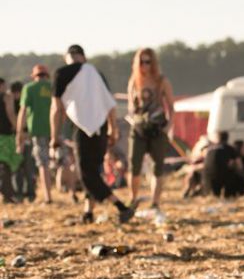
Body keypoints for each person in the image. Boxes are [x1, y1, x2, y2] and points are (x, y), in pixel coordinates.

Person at [50, 44, 135, 224]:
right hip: (101, 127)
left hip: (82, 128)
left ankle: (121, 206)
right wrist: (113, 129)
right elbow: (110, 103)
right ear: (83, 56)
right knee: (93, 170)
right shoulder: (96, 73)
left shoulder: (61, 73)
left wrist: (54, 137)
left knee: (86, 174)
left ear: (68, 56)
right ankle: (88, 213)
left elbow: (56, 109)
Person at [126, 48, 174, 215]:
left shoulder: (161, 81)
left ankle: (155, 202)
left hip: (157, 128)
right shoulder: (134, 81)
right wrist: (133, 116)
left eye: (148, 62)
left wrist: (169, 126)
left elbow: (170, 106)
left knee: (158, 167)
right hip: (139, 128)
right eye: (141, 62)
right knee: (134, 165)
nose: (144, 65)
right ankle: (133, 198)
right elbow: (131, 106)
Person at [16, 65, 54, 203]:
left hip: (38, 131)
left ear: (34, 76)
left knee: (43, 163)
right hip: (56, 130)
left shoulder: (29, 88)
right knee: (63, 162)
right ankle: (73, 191)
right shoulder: (53, 87)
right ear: (46, 75)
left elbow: (22, 111)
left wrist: (19, 133)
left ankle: (48, 197)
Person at [203, 131, 244, 198]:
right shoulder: (229, 148)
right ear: (227, 139)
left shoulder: (210, 148)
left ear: (218, 138)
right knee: (236, 176)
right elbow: (240, 165)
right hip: (222, 175)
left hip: (207, 176)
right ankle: (230, 195)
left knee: (214, 196)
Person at [0, 78, 22, 203]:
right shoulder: (6, 98)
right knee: (6, 165)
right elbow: (11, 114)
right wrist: (18, 129)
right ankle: (7, 195)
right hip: (5, 136)